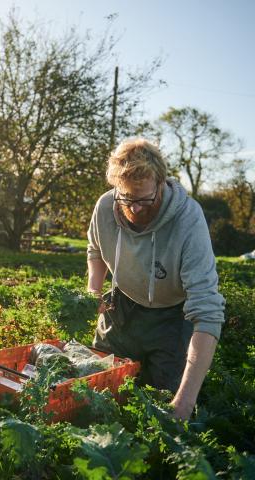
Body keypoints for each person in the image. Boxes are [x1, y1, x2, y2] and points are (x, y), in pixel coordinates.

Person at [86, 138, 225, 420]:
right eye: (127, 198)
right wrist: (93, 290)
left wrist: (184, 403)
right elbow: (96, 249)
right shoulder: (105, 207)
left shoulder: (188, 220)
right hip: (121, 308)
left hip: (172, 317)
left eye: (144, 199)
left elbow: (208, 312)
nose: (135, 208)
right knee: (98, 393)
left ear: (160, 182)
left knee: (160, 405)